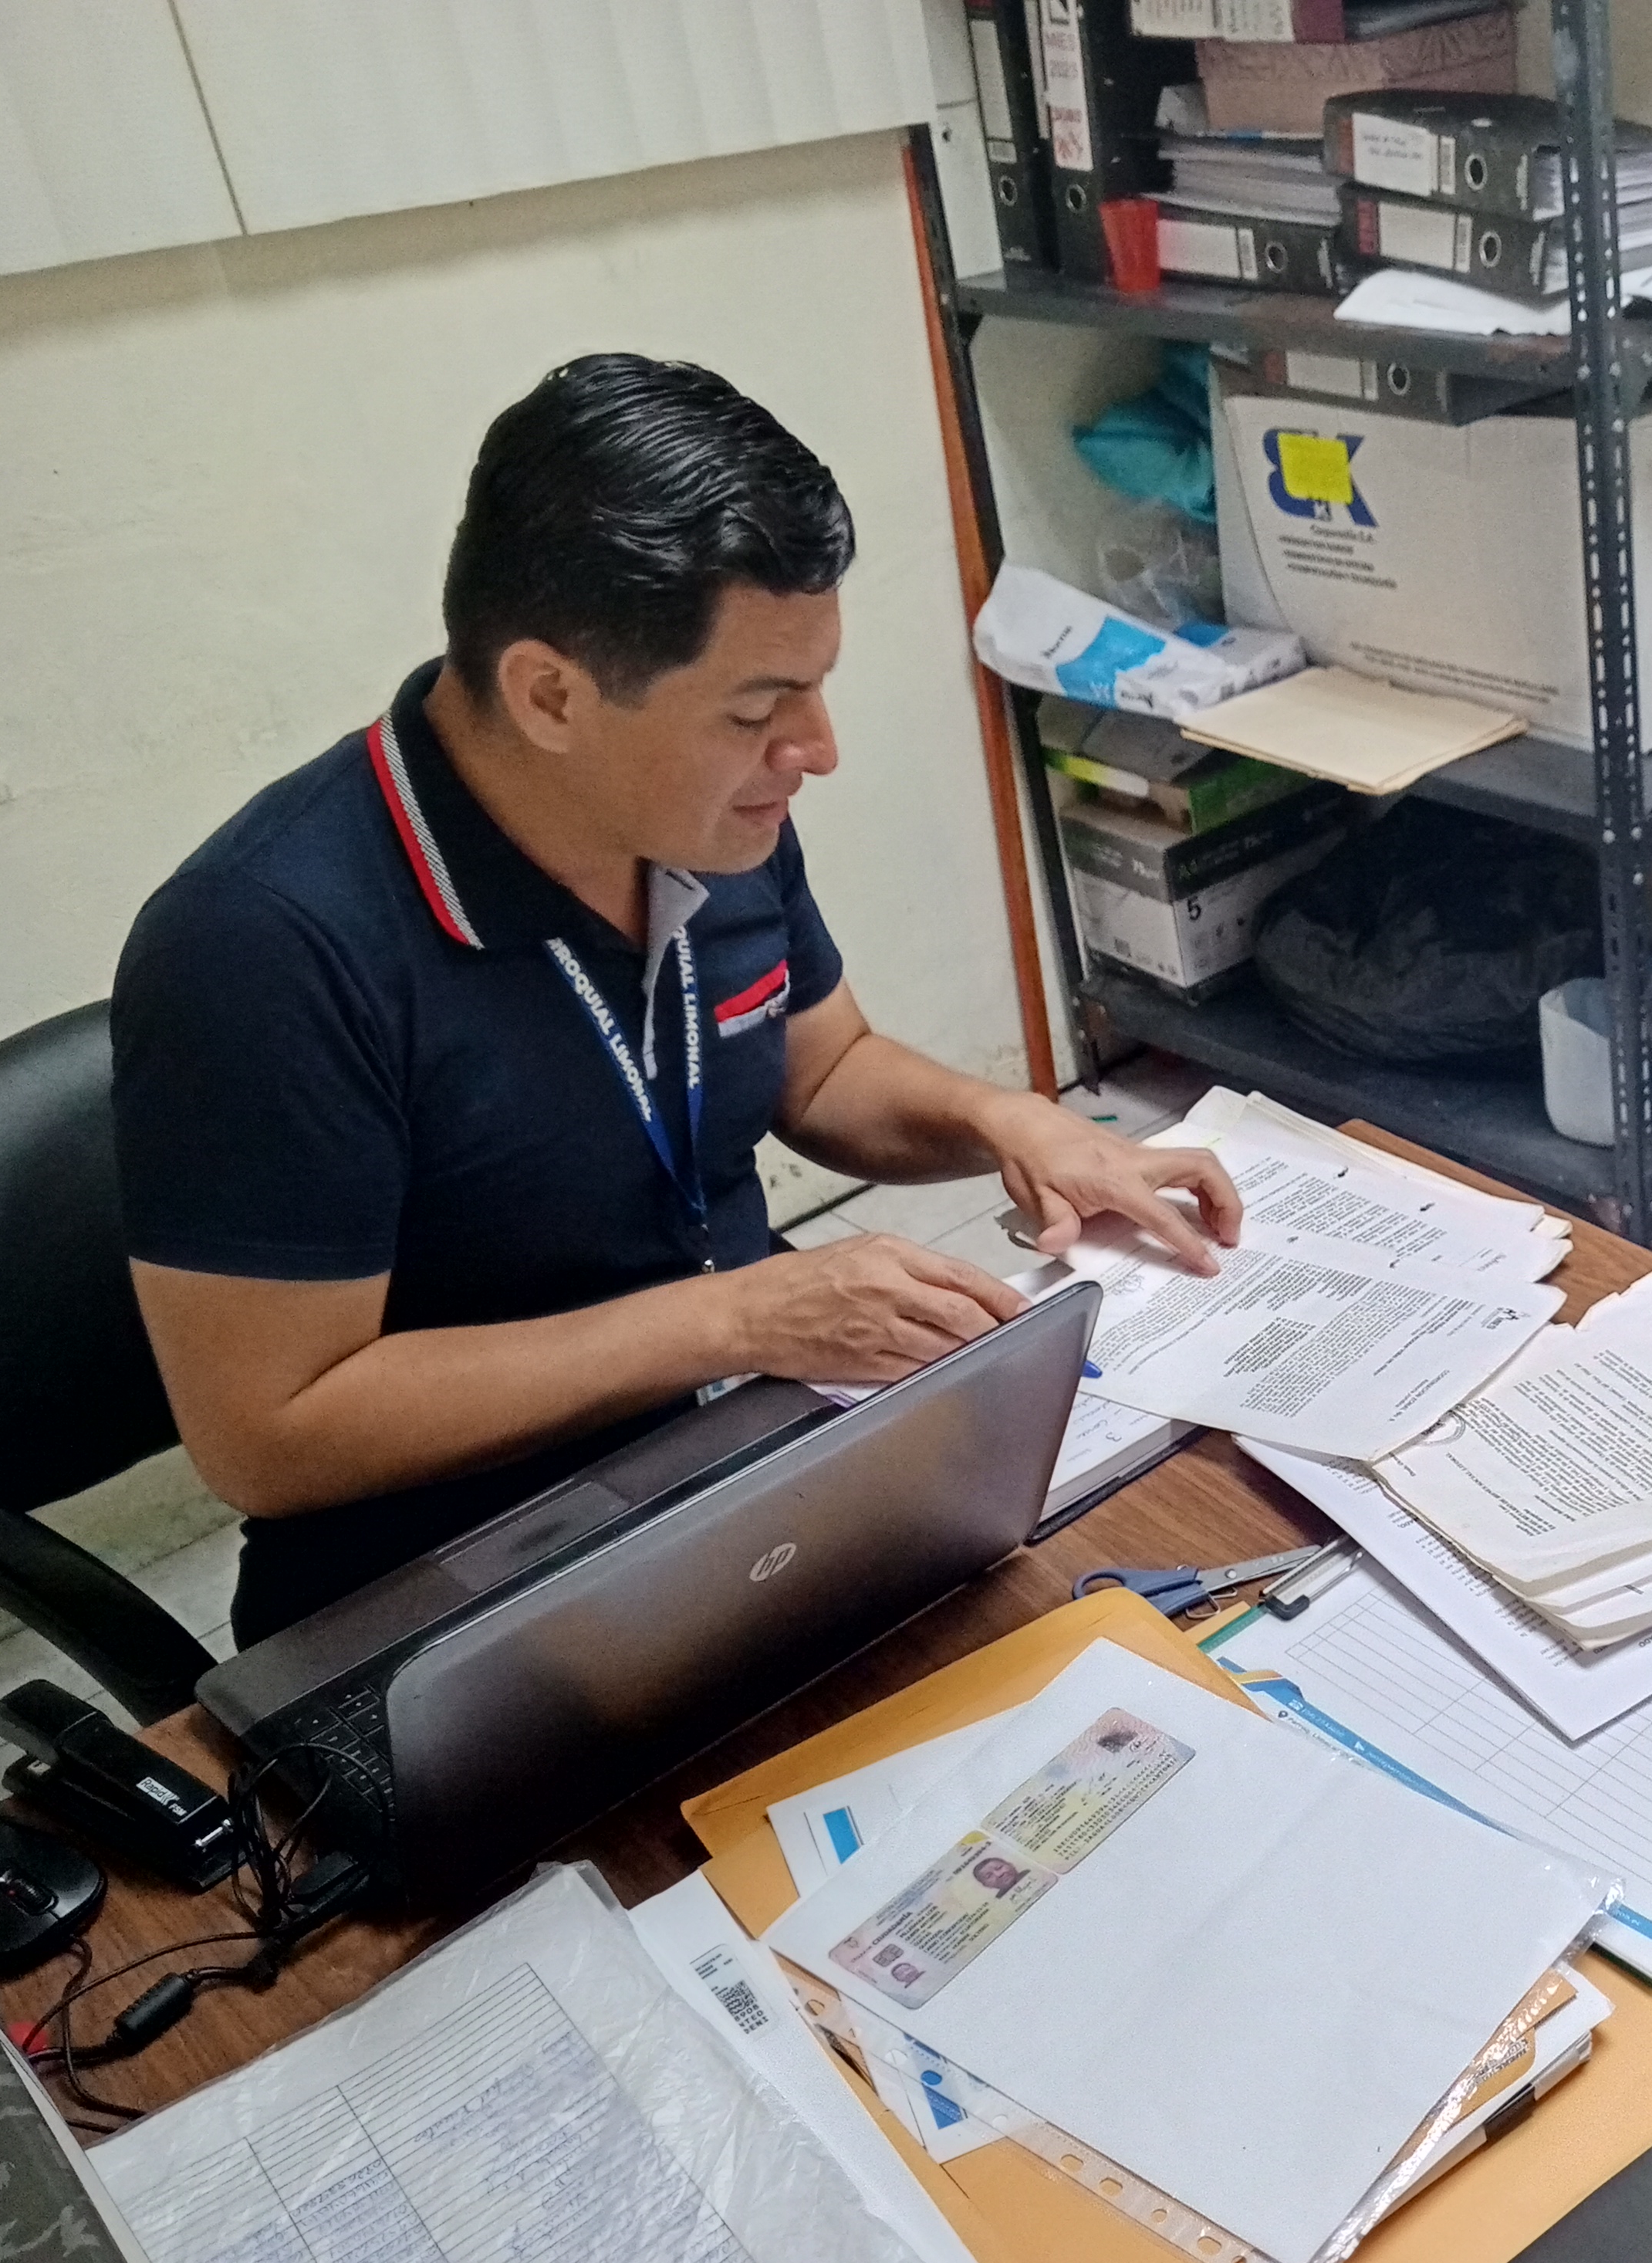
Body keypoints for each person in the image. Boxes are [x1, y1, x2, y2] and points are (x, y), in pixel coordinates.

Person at [113, 353, 1242, 1648]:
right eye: (759, 709)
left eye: (816, 687)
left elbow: (822, 1069)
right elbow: (271, 1435)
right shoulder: (261, 950)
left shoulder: (706, 814)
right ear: (551, 695)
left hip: (750, 1460)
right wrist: (737, 1317)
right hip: (458, 1583)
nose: (816, 750)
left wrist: (1015, 1125)